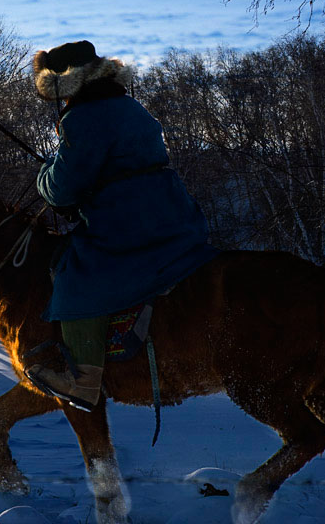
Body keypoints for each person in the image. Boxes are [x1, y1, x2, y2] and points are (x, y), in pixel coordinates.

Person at [24, 40, 218, 411]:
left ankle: (84, 381)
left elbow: (61, 189)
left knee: (75, 273)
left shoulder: (82, 117)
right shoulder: (130, 106)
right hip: (176, 215)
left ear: (65, 84)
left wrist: (44, 175)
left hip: (128, 223)